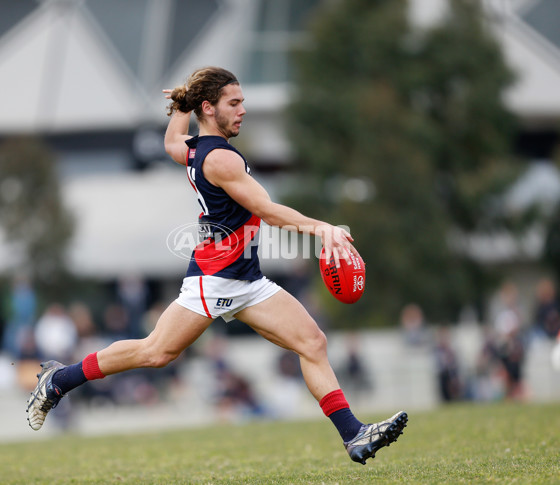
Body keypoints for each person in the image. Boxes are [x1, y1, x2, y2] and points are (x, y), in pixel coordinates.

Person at [26, 66, 407, 464]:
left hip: (245, 277)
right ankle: (59, 381)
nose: (243, 110)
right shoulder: (221, 159)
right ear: (210, 108)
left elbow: (173, 140)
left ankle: (354, 435)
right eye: (234, 103)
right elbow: (268, 211)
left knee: (312, 343)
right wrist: (322, 229)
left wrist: (180, 105)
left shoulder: (194, 148)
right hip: (216, 279)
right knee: (155, 352)